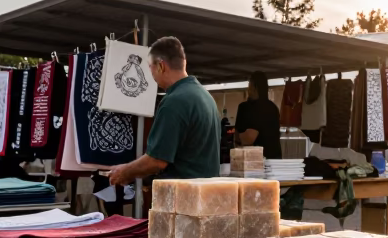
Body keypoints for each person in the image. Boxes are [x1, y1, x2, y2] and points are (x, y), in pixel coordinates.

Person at [107, 36, 221, 185]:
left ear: (161, 66)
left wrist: (125, 171)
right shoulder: (205, 96)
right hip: (205, 194)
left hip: (182, 198)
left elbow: (157, 160)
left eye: (150, 68)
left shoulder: (175, 101)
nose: (151, 75)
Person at [234, 71, 283, 159]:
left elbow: (248, 138)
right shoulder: (273, 107)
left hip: (255, 162)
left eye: (249, 84)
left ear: (254, 87)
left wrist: (237, 141)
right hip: (275, 161)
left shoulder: (247, 107)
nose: (248, 87)